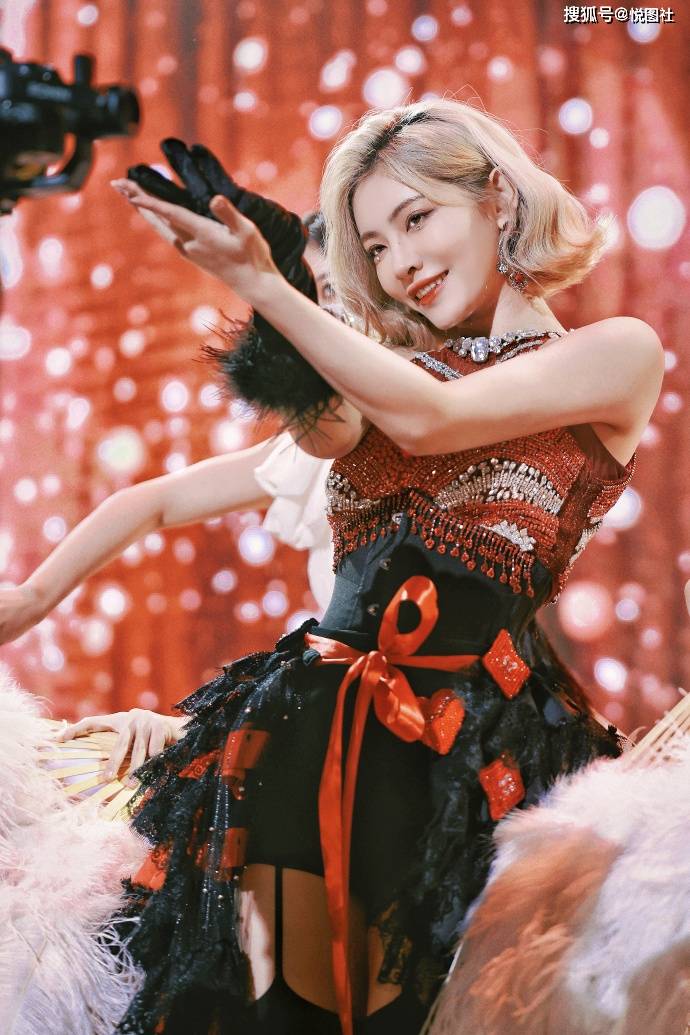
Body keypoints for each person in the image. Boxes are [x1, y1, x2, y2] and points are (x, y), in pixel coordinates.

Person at [97, 97, 662, 1035]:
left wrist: (274, 288)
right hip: (307, 717)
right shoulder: (387, 370)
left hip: (472, 743)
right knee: (269, 1011)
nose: (401, 261)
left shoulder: (616, 354)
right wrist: (275, 283)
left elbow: (433, 422)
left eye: (417, 218)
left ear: (497, 197)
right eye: (375, 245)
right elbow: (325, 424)